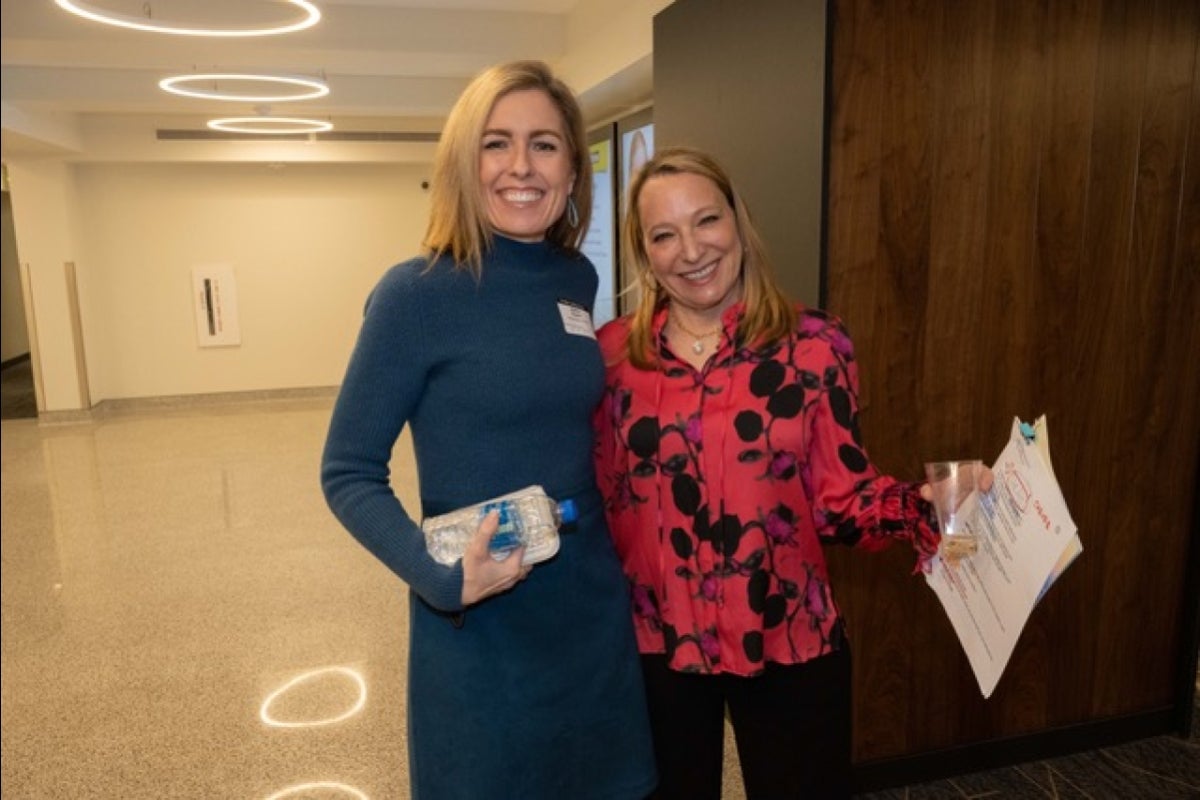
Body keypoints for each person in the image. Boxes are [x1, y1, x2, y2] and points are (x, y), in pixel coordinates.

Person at [593, 146, 990, 799]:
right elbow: (602, 502)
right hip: (654, 646)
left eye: (706, 221)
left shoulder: (814, 343)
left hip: (789, 635)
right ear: (644, 252)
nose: (691, 249)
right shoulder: (611, 359)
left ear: (738, 221)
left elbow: (841, 497)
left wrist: (926, 503)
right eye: (664, 234)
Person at [321, 60, 657, 800]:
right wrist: (442, 577)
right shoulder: (415, 295)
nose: (520, 166)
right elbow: (347, 471)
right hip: (481, 614)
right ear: (463, 164)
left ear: (573, 168)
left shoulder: (576, 280)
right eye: (496, 143)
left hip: (588, 604)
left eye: (544, 144)